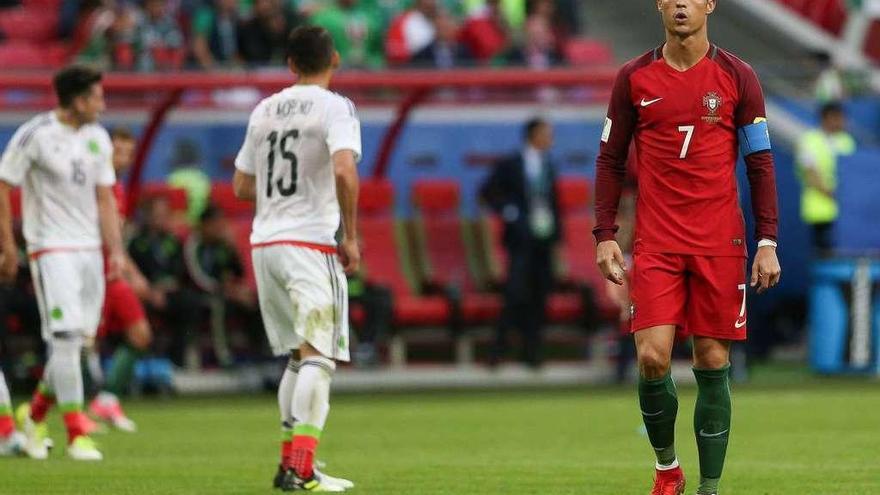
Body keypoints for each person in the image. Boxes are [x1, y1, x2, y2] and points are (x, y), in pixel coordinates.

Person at [593, 1, 782, 494]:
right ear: (659, 5)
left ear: (709, 4)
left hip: (720, 241)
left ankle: (709, 489)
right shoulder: (633, 78)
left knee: (712, 361)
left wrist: (767, 241)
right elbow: (610, 160)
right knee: (652, 358)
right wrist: (606, 234)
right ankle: (667, 469)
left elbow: (760, 163)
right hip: (657, 243)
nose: (681, 4)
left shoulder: (738, 77)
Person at [233, 25, 361, 492]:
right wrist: (350, 235)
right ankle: (303, 469)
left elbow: (242, 185)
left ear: (290, 64)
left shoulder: (264, 109)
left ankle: (290, 463)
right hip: (309, 244)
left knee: (295, 357)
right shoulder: (336, 107)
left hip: (265, 244)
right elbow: (345, 170)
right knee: (319, 357)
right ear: (336, 60)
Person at [0, 65, 125, 461]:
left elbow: (105, 198)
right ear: (77, 100)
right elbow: (3, 186)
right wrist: (8, 247)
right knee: (67, 339)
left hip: (89, 250)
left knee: (77, 344)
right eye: (97, 97)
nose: (102, 105)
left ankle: (34, 416)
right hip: (51, 248)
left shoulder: (97, 138)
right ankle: (76, 433)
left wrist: (116, 250)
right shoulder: (36, 135)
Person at [86, 127, 153, 432]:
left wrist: (131, 272)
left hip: (112, 276)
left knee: (140, 334)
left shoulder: (117, 189)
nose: (124, 159)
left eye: (129, 153)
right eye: (119, 152)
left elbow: (117, 241)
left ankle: (107, 398)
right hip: (91, 273)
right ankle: (63, 410)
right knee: (83, 343)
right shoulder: (96, 188)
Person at [480, 118, 561, 369]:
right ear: (533, 135)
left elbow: (554, 203)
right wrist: (508, 211)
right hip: (520, 240)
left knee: (540, 295)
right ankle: (498, 350)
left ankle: (532, 352)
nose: (550, 139)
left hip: (543, 239)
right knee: (515, 294)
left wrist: (558, 238)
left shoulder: (549, 165)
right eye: (546, 134)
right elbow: (487, 192)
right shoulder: (511, 164)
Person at [128, 196, 201, 368]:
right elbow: (133, 273)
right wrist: (151, 291)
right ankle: (145, 359)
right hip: (145, 294)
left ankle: (178, 360)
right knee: (136, 309)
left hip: (170, 293)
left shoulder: (173, 241)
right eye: (158, 215)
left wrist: (170, 286)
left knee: (190, 302)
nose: (163, 219)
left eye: (165, 214)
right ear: (147, 217)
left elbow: (181, 272)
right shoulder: (137, 243)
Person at [183, 205, 258, 366]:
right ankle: (223, 356)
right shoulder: (194, 244)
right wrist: (225, 290)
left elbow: (237, 273)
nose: (220, 228)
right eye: (215, 224)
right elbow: (196, 276)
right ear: (204, 225)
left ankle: (261, 352)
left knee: (256, 302)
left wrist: (241, 289)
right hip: (198, 293)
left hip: (225, 293)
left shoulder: (223, 245)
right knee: (218, 306)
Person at [795, 102, 856, 254]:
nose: (842, 121)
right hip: (819, 212)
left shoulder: (847, 141)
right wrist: (834, 194)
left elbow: (853, 174)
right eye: (839, 117)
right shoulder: (809, 140)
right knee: (824, 255)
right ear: (828, 117)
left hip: (844, 213)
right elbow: (810, 174)